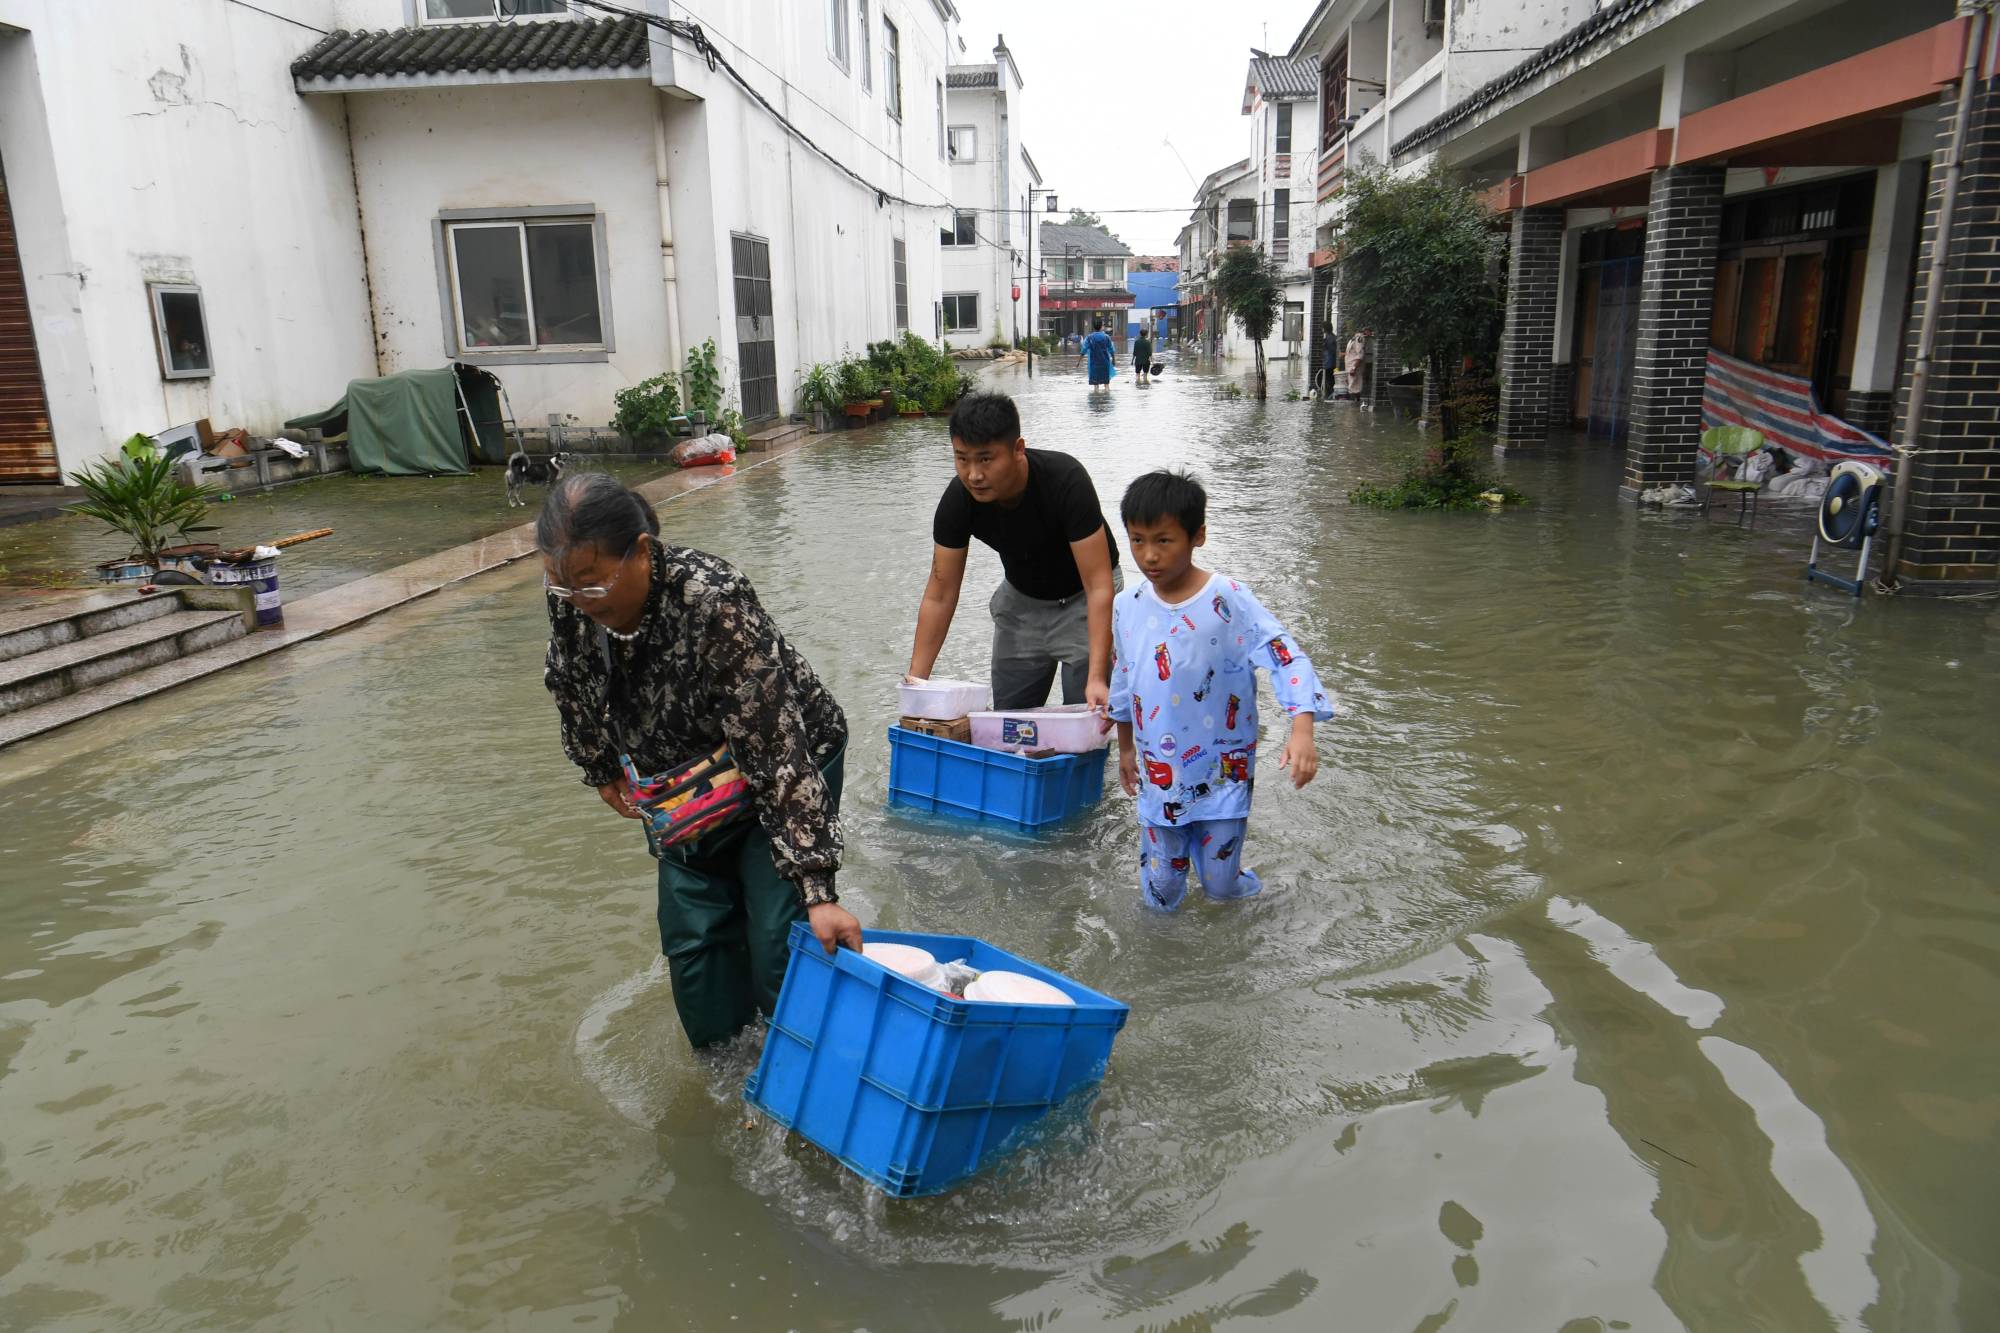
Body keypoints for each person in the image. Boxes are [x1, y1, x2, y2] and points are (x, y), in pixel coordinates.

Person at [538, 473, 861, 1049]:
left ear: (641, 552)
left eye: (591, 585)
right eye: (563, 588)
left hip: (780, 767)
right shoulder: (571, 594)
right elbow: (568, 677)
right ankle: (729, 1081)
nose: (580, 603)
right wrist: (598, 764)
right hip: (681, 784)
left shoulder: (713, 599)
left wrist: (818, 889)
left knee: (775, 942)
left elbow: (775, 744)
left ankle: (803, 1071)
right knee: (696, 957)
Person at [1107, 469, 1334, 912]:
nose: (1149, 556)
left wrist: (1302, 729)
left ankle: (1260, 899)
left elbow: (1284, 654)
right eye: (1137, 540)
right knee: (1161, 894)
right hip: (1160, 776)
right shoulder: (1126, 606)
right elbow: (1126, 676)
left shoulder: (1228, 598)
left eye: (1163, 540)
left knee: (1220, 887)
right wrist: (1126, 749)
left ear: (1198, 536)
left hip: (1222, 772)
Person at [907, 391, 1121, 712]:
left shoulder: (1065, 480)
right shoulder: (958, 501)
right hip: (1022, 604)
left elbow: (1099, 585)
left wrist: (1096, 678)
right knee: (1008, 724)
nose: (973, 475)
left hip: (1085, 602)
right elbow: (940, 592)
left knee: (1086, 716)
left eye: (985, 459)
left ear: (1018, 449)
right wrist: (916, 687)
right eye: (962, 459)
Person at [1082, 318, 1116, 391]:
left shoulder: (1089, 337)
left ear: (1093, 326)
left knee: (1095, 385)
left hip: (1094, 363)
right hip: (1105, 363)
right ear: (1101, 326)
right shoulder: (1106, 337)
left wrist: (1078, 361)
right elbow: (1111, 349)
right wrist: (1113, 360)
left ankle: (1096, 399)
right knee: (1106, 384)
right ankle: (1107, 399)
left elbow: (1083, 350)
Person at [1345, 332, 1367, 402]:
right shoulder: (1353, 338)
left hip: (1354, 368)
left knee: (1355, 388)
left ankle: (1355, 407)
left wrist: (1354, 368)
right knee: (1352, 387)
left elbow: (1360, 355)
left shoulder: (1358, 338)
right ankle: (1353, 408)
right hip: (1349, 367)